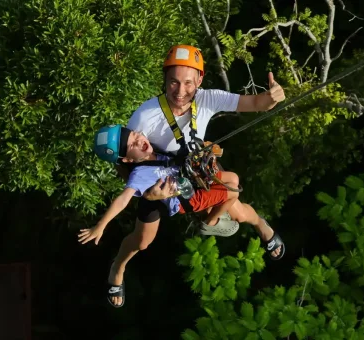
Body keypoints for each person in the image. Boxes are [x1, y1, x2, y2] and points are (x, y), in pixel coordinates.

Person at [105, 44, 286, 307]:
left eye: (188, 83)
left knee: (237, 208)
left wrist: (272, 98)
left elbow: (257, 103)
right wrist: (149, 194)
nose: (180, 91)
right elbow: (124, 163)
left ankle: (260, 225)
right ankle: (117, 269)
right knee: (142, 242)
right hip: (157, 181)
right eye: (173, 82)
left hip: (196, 170)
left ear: (199, 80)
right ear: (164, 80)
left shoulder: (208, 99)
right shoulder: (144, 116)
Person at [79, 124, 243, 307]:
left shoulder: (158, 144)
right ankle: (118, 267)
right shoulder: (139, 175)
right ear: (126, 159)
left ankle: (210, 221)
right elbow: (123, 199)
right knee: (142, 243)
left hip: (184, 194)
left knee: (233, 184)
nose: (139, 141)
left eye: (135, 135)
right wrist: (101, 225)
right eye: (132, 145)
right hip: (162, 199)